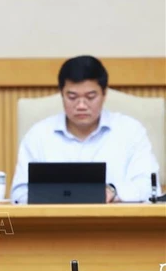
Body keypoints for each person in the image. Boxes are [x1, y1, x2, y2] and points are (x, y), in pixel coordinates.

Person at [10, 55, 161, 204]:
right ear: (61, 94)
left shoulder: (130, 132)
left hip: (115, 224)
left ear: (104, 94)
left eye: (90, 96)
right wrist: (54, 196)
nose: (81, 105)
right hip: (54, 224)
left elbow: (150, 188)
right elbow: (18, 194)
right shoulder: (39, 135)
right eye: (72, 97)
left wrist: (113, 192)